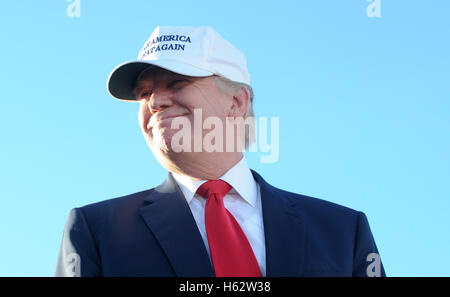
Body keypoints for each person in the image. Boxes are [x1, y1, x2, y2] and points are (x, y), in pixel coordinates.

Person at [55, 26, 385, 277]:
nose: (155, 102)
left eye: (177, 83)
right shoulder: (96, 231)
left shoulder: (342, 232)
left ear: (237, 101)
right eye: (144, 93)